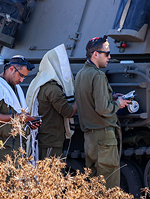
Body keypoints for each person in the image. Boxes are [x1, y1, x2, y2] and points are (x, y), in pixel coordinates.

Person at [74, 36, 130, 189]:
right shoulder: (98, 75)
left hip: (89, 136)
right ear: (95, 54)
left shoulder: (80, 74)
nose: (109, 57)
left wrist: (111, 97)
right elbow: (103, 109)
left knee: (93, 180)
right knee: (109, 180)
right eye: (107, 53)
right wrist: (119, 103)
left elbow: (89, 99)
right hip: (103, 135)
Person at [0, 56, 40, 162]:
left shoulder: (15, 88)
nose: (21, 80)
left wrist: (29, 122)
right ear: (11, 69)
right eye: (20, 75)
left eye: (24, 77)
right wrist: (17, 118)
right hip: (3, 147)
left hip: (17, 146)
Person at [26, 45, 76, 160]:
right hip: (51, 141)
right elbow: (68, 112)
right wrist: (80, 99)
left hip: (45, 139)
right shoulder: (53, 89)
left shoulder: (40, 83)